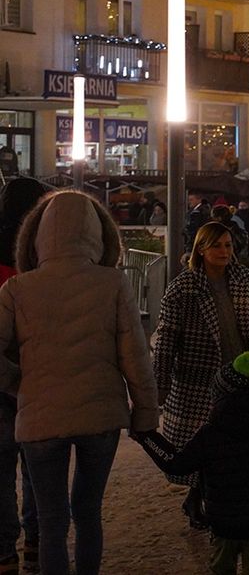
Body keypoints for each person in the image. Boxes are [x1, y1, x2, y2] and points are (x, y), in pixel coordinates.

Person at [0, 191, 158, 575]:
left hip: (39, 417)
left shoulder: (17, 289)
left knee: (52, 523)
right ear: (99, 234)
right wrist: (146, 414)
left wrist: (18, 383)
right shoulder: (113, 283)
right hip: (100, 415)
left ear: (35, 236)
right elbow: (134, 356)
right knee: (89, 514)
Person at [135, 351, 249, 575]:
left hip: (223, 525)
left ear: (219, 394)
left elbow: (177, 464)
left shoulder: (210, 434)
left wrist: (147, 437)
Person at [153, 221, 249, 527]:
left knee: (233, 442)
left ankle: (207, 501)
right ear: (201, 249)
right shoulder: (184, 287)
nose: (224, 251)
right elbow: (166, 337)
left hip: (240, 373)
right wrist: (160, 385)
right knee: (203, 443)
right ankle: (198, 500)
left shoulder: (243, 278)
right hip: (199, 377)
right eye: (216, 245)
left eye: (228, 245)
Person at [0, 177, 47, 573]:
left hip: (1, 378)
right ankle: (36, 543)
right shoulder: (40, 256)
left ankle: (4, 552)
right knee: (36, 465)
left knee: (0, 468)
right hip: (37, 376)